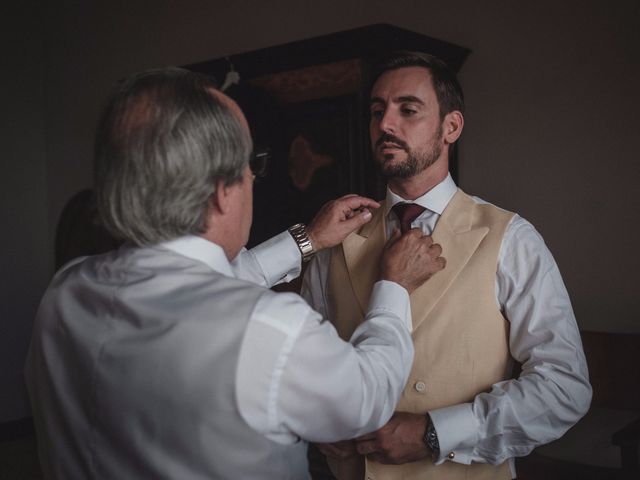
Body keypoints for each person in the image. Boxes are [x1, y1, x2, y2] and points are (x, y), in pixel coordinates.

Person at [24, 67, 447, 479]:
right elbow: (366, 398)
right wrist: (394, 286)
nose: (253, 179)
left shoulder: (67, 290)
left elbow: (196, 291)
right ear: (220, 192)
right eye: (252, 165)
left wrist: (307, 240)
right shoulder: (267, 326)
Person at [301, 51, 592, 480]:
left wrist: (433, 433)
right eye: (377, 111)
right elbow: (306, 364)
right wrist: (317, 417)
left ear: (451, 127)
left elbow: (565, 387)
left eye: (408, 110)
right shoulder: (335, 240)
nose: (385, 124)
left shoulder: (510, 238)